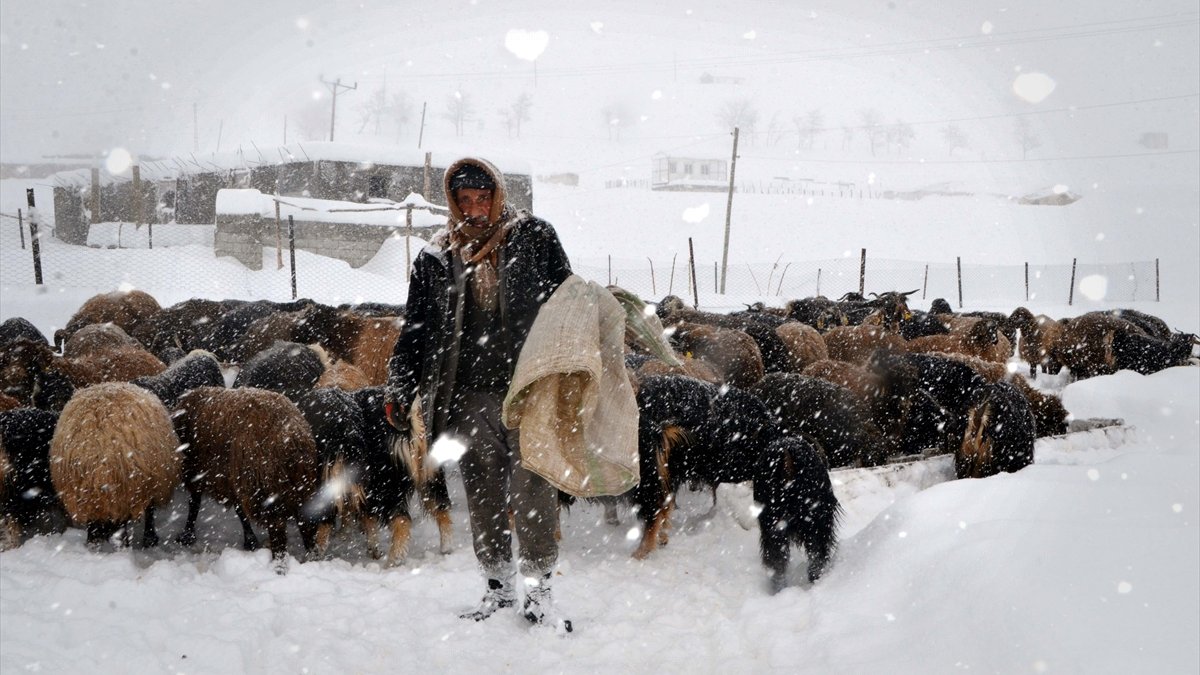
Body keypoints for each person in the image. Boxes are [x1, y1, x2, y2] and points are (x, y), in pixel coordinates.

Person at [385, 157, 574, 632]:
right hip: (466, 394)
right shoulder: (436, 256)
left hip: (527, 392)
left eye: (482, 198)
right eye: (463, 200)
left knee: (533, 489)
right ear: (452, 202)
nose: (474, 209)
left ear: (498, 195)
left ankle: (539, 592)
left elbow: (568, 304)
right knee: (483, 491)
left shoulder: (533, 238)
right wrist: (399, 385)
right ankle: (497, 588)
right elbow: (416, 330)